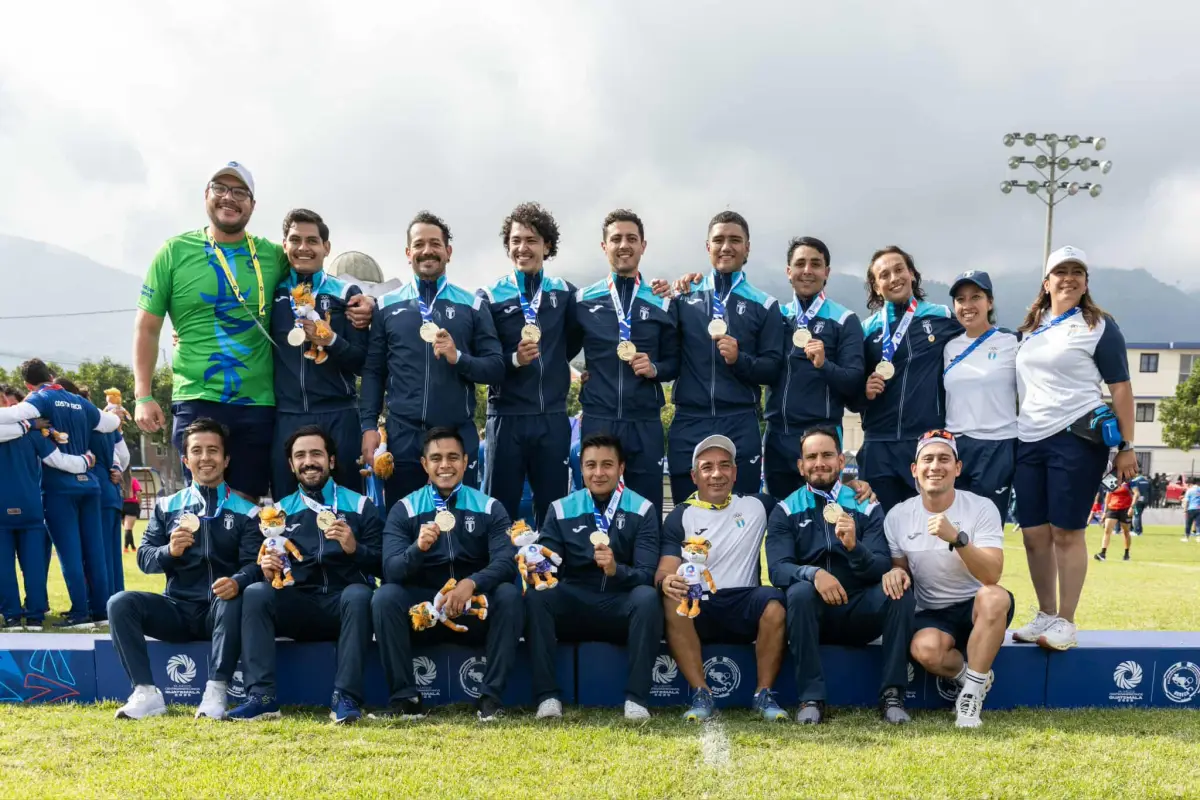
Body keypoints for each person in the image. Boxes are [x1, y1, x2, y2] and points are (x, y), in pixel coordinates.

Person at [132, 161, 375, 499]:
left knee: (249, 509)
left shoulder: (272, 255)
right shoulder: (173, 252)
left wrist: (369, 301)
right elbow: (147, 327)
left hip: (258, 405)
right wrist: (142, 394)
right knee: (200, 502)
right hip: (197, 397)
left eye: (240, 192)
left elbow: (313, 266)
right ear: (206, 195)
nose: (229, 198)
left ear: (252, 204)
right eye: (220, 189)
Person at [1010, 246, 1136, 651]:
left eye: (1076, 272)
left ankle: (1066, 620)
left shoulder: (1098, 325)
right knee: (1033, 534)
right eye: (1060, 272)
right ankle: (1045, 613)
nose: (1068, 278)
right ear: (1045, 284)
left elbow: (1120, 388)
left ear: (1085, 282)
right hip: (1029, 437)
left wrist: (1127, 447)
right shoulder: (1029, 328)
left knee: (1066, 531)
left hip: (1075, 437)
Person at [228, 425, 382, 724]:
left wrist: (354, 548)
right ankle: (261, 697)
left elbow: (384, 566)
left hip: (345, 606)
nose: (309, 461)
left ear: (331, 461)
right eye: (300, 456)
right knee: (257, 593)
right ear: (291, 465)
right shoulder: (278, 513)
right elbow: (269, 568)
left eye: (316, 454)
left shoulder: (361, 505)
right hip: (299, 605)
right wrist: (268, 569)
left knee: (359, 594)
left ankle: (346, 698)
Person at [108, 418, 260, 721]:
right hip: (176, 609)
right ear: (185, 459)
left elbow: (256, 564)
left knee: (234, 596)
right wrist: (170, 551)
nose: (206, 458)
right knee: (120, 603)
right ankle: (145, 693)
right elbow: (145, 558)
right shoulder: (168, 506)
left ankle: (217, 691)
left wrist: (238, 581)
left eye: (213, 451)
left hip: (220, 611)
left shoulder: (247, 510)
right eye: (197, 451)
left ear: (226, 459)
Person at [765, 425, 913, 724]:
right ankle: (811, 697)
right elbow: (778, 569)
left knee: (899, 590)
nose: (819, 462)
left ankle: (893, 694)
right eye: (811, 456)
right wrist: (814, 574)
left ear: (841, 461)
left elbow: (882, 564)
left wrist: (854, 547)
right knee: (799, 590)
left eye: (827, 455)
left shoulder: (866, 505)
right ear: (801, 465)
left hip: (861, 608)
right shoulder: (785, 509)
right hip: (812, 615)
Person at [370, 427, 520, 722]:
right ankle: (405, 698)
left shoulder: (490, 507)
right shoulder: (405, 509)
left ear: (466, 462)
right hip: (425, 613)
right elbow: (390, 570)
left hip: (473, 607)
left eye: (453, 457)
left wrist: (471, 583)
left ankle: (491, 698)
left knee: (510, 595)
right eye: (436, 458)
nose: (445, 465)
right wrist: (417, 549)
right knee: (385, 597)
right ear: (424, 465)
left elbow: (506, 562)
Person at [359, 212, 505, 509]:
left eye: (435, 244)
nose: (427, 250)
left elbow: (496, 368)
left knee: (463, 529)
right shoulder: (386, 306)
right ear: (408, 252)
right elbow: (374, 372)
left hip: (455, 437)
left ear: (448, 252)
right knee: (405, 523)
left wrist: (459, 357)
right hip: (403, 438)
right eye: (420, 244)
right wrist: (368, 426)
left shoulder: (473, 305)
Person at [526, 433, 662, 721]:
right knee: (539, 595)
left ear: (621, 468)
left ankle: (636, 699)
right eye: (590, 465)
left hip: (620, 602)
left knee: (648, 598)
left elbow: (647, 574)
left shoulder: (643, 509)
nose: (598, 473)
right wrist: (535, 566)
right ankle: (547, 697)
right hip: (574, 601)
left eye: (607, 465)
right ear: (581, 467)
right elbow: (549, 567)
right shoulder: (561, 508)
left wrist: (617, 570)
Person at [881, 430, 1011, 727]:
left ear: (958, 468)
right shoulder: (898, 516)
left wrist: (958, 539)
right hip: (933, 613)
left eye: (944, 459)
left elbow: (992, 574)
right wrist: (896, 572)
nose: (935, 466)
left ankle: (970, 700)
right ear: (915, 469)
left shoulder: (981, 507)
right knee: (924, 649)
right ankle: (973, 679)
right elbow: (901, 570)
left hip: (977, 606)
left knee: (994, 595)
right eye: (927, 459)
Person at [652, 211, 784, 503]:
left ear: (747, 247)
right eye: (719, 240)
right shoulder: (683, 296)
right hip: (689, 419)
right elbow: (667, 355)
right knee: (687, 513)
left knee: (743, 514)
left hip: (740, 421)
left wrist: (740, 359)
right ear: (707, 246)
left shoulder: (765, 304)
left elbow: (773, 370)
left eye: (735, 240)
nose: (726, 247)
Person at [656, 435, 788, 722]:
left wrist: (852, 488)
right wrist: (666, 581)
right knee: (670, 599)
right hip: (699, 606)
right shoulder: (680, 515)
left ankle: (763, 694)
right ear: (694, 476)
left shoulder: (758, 505)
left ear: (735, 472)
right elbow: (665, 569)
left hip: (744, 604)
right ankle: (701, 693)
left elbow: (806, 500)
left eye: (725, 465)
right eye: (707, 467)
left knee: (774, 603)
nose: (717, 474)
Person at [479, 203, 582, 528]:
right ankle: (500, 578)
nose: (523, 248)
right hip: (506, 418)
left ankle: (551, 578)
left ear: (547, 245)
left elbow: (576, 340)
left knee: (553, 514)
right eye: (516, 240)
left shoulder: (565, 294)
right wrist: (514, 360)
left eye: (532, 240)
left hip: (552, 418)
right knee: (501, 512)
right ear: (508, 246)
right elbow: (485, 358)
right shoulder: (490, 296)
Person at [0, 359, 122, 628]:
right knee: (95, 551)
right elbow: (110, 423)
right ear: (51, 375)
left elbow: (9, 416)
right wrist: (115, 414)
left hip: (59, 489)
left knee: (70, 553)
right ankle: (101, 612)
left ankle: (80, 613)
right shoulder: (80, 401)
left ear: (27, 385)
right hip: (90, 486)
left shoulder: (40, 400)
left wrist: (28, 424)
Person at [575, 210, 679, 514]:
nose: (624, 245)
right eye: (616, 238)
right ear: (604, 246)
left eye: (631, 239)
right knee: (595, 511)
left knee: (645, 511)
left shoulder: (663, 301)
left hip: (644, 421)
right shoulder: (582, 300)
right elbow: (559, 349)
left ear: (643, 246)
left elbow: (675, 361)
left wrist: (656, 369)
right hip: (599, 418)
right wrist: (574, 377)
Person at [269, 209, 369, 499]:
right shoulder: (271, 294)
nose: (303, 248)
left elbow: (363, 362)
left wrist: (332, 340)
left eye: (312, 240)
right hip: (287, 415)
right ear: (284, 245)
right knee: (288, 508)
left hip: (339, 414)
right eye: (295, 240)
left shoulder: (347, 293)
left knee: (348, 504)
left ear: (326, 247)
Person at [856, 246, 962, 513]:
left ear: (912, 274)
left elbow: (979, 341)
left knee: (928, 532)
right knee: (882, 532)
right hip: (878, 445)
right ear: (876, 287)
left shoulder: (942, 317)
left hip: (925, 443)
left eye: (899, 269)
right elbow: (849, 387)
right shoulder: (865, 330)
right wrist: (863, 389)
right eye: (884, 275)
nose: (894, 278)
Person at [763, 237, 864, 500]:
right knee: (779, 516)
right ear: (788, 271)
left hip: (823, 438)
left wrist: (824, 365)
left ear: (826, 272)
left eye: (816, 264)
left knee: (827, 518)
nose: (807, 270)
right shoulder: (775, 316)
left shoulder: (845, 319)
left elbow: (853, 381)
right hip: (777, 437)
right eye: (800, 263)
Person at [0, 412, 92, 630]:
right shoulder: (34, 437)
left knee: (3, 566)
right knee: (34, 565)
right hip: (30, 506)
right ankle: (35, 616)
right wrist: (87, 460)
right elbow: (60, 461)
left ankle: (11, 616)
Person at [942, 271, 1019, 520]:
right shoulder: (948, 347)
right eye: (961, 299)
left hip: (997, 445)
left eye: (976, 297)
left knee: (987, 528)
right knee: (952, 530)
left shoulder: (1012, 342)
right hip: (956, 446)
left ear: (990, 302)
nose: (968, 305)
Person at [1095, 479, 1137, 562]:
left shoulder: (1129, 482)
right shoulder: (1111, 480)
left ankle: (1126, 554)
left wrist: (1132, 507)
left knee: (1126, 532)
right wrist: (1104, 512)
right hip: (1112, 508)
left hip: (1125, 509)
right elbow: (1108, 496)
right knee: (1107, 530)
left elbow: (1136, 494)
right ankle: (1102, 554)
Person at [122, 475, 142, 553]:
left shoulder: (119, 480)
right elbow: (138, 493)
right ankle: (125, 548)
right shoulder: (133, 480)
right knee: (128, 528)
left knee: (127, 528)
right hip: (131, 505)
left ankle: (133, 547)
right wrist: (139, 503)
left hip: (120, 505)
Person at [1130, 470, 1150, 536]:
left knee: (1136, 516)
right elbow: (1150, 491)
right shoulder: (1146, 481)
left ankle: (1137, 531)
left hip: (1137, 500)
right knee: (1139, 515)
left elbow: (1133, 491)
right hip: (1144, 500)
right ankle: (1139, 530)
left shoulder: (1135, 481)